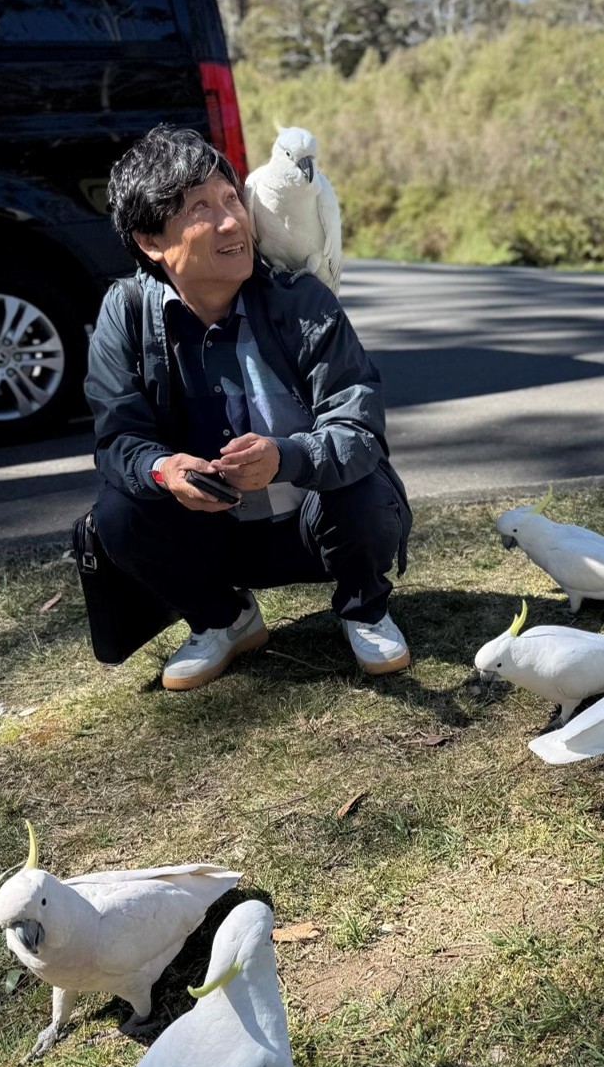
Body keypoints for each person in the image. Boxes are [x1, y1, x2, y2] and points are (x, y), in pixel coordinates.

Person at [78, 123, 412, 689]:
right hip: (210, 536)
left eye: (231, 198)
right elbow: (118, 441)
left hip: (316, 524)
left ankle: (364, 607)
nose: (233, 220)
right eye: (199, 209)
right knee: (117, 512)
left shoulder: (301, 298)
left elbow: (356, 424)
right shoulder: (126, 314)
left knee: (363, 482)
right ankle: (224, 619)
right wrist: (165, 470)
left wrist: (287, 456)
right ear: (150, 241)